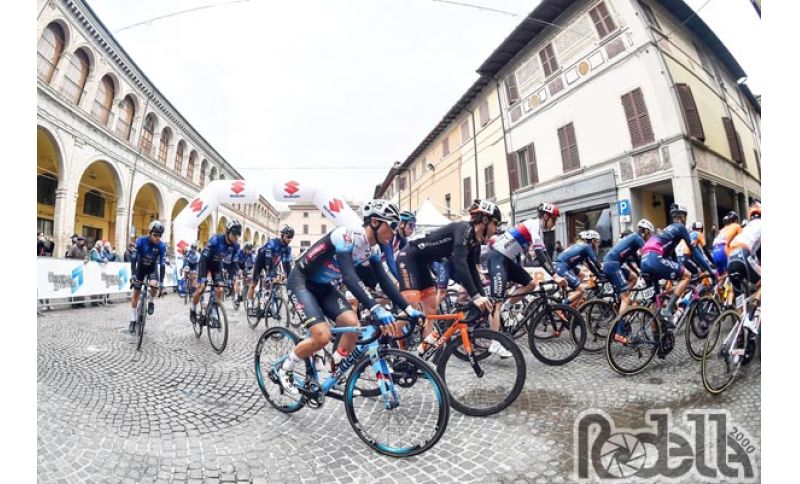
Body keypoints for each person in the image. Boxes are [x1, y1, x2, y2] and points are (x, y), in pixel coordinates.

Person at [274, 200, 421, 395]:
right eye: (392, 225)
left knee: (353, 327)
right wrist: (376, 308)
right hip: (301, 281)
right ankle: (284, 368)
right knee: (322, 336)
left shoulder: (373, 249)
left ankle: (334, 374)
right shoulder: (346, 236)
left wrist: (408, 309)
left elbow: (385, 281)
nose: (394, 232)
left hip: (323, 286)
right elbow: (349, 277)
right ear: (375, 222)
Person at [396, 199, 500, 349]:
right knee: (412, 308)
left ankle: (424, 349)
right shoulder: (464, 228)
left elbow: (472, 269)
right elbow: (460, 263)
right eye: (495, 223)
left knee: (431, 308)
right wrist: (476, 297)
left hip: (422, 263)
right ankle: (385, 337)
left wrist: (482, 297)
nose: (496, 229)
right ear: (485, 220)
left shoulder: (474, 241)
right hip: (409, 257)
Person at [488, 203, 560, 353]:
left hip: (507, 261)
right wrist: (554, 275)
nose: (555, 223)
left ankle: (506, 308)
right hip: (497, 258)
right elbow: (539, 255)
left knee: (531, 284)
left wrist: (555, 274)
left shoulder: (538, 231)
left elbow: (545, 255)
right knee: (496, 302)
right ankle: (494, 343)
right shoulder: (533, 225)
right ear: (545, 216)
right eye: (554, 219)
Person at [640, 204, 715, 327]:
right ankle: (668, 309)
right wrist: (710, 270)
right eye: (685, 216)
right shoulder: (680, 227)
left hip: (643, 261)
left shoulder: (666, 231)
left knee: (656, 302)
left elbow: (674, 258)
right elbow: (695, 252)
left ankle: (657, 334)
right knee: (687, 276)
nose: (685, 219)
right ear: (682, 216)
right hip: (654, 258)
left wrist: (679, 270)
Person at [190, 220, 242, 323]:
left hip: (217, 264)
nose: (236, 237)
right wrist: (203, 279)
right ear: (228, 232)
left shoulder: (236, 246)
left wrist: (230, 279)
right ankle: (193, 309)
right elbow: (204, 257)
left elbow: (233, 263)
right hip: (205, 261)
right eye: (234, 234)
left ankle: (214, 311)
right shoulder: (216, 239)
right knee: (201, 288)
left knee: (220, 289)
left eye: (238, 235)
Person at [604, 219, 653, 320]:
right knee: (626, 297)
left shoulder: (634, 239)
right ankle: (620, 327)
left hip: (611, 264)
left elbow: (637, 260)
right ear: (646, 231)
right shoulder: (638, 238)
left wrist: (639, 272)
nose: (650, 237)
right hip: (613, 265)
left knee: (633, 278)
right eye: (649, 234)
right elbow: (646, 256)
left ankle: (620, 298)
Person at [128, 222, 167, 332]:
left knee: (154, 285)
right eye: (155, 235)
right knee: (136, 292)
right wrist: (133, 275)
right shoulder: (141, 241)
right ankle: (133, 320)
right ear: (150, 233)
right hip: (140, 267)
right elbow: (134, 258)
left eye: (160, 236)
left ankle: (151, 301)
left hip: (152, 268)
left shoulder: (161, 246)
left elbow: (162, 265)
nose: (158, 238)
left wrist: (162, 283)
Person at [727, 203, 761, 325]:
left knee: (739, 295)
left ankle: (739, 327)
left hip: (730, 257)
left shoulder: (746, 228)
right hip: (743, 254)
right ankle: (752, 312)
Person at [248, 225, 294, 314]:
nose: (290, 239)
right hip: (261, 261)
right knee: (254, 284)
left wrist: (289, 278)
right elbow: (268, 260)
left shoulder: (287, 249)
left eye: (291, 237)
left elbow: (287, 264)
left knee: (273, 284)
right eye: (288, 236)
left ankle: (266, 304)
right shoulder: (272, 243)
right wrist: (270, 275)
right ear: (282, 235)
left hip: (272, 264)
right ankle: (250, 306)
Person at [555, 230, 603, 305]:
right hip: (562, 268)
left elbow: (590, 265)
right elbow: (595, 262)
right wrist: (603, 272)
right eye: (597, 242)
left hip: (563, 266)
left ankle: (573, 307)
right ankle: (561, 306)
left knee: (581, 278)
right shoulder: (587, 247)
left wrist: (599, 275)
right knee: (581, 290)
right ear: (593, 241)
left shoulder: (583, 247)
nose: (598, 244)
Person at [711, 211, 742, 276]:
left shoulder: (721, 231)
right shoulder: (736, 226)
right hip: (724, 249)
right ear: (736, 220)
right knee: (733, 272)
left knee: (721, 276)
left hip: (715, 251)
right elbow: (742, 239)